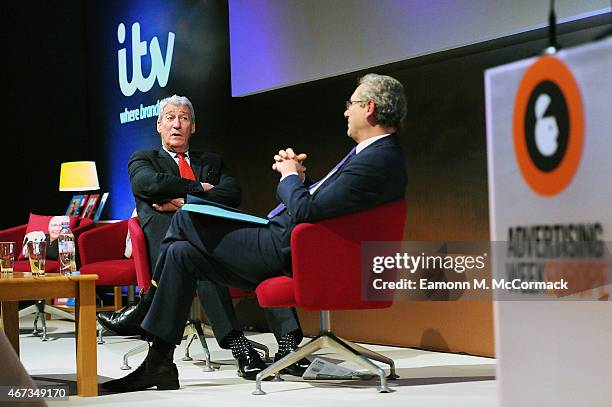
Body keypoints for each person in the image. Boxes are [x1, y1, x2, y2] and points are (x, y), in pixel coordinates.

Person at [102, 73, 408, 392]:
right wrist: (301, 181)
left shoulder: (377, 158)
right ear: (159, 125)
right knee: (180, 253)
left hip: (286, 248)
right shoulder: (374, 155)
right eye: (170, 118)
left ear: (369, 108)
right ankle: (159, 364)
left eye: (352, 104)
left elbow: (296, 209)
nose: (347, 111)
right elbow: (324, 205)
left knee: (185, 220)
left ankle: (147, 304)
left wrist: (289, 179)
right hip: (286, 241)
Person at [97, 95, 303, 380]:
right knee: (196, 256)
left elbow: (231, 193)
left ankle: (290, 344)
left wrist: (182, 200)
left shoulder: (211, 161)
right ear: (159, 125)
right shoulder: (144, 159)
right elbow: (149, 183)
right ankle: (239, 346)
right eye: (170, 118)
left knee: (261, 250)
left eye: (184, 118)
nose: (176, 124)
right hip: (170, 244)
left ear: (193, 127)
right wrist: (199, 189)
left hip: (214, 236)